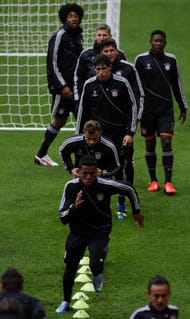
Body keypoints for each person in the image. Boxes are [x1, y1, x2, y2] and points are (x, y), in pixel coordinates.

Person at [56, 155, 144, 313]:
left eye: (91, 173)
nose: (88, 177)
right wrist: (75, 207)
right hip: (78, 232)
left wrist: (136, 210)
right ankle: (65, 301)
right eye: (84, 173)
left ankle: (97, 274)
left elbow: (128, 188)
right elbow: (63, 217)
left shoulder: (105, 185)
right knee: (70, 268)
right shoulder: (70, 187)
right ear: (78, 172)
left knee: (95, 264)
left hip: (100, 230)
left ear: (97, 172)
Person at [76, 54, 138, 220]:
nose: (101, 72)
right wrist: (78, 136)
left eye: (104, 69)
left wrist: (130, 132)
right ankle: (93, 204)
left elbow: (132, 107)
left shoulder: (122, 83)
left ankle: (122, 203)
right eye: (98, 69)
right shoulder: (89, 85)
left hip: (119, 135)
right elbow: (82, 111)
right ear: (94, 70)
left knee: (119, 170)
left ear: (110, 67)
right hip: (97, 136)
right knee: (92, 171)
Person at [134, 29, 188, 194]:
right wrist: (135, 109)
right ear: (150, 41)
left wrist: (183, 106)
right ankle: (153, 180)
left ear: (165, 42)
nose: (158, 43)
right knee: (150, 144)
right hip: (147, 111)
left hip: (165, 110)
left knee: (166, 143)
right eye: (155, 41)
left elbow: (177, 85)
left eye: (161, 41)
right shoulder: (141, 60)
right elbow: (134, 85)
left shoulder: (171, 60)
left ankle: (168, 182)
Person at [34, 3, 84, 166]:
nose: (73, 18)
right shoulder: (60, 35)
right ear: (64, 18)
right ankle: (41, 154)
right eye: (70, 16)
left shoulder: (78, 35)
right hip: (64, 90)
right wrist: (62, 86)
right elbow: (52, 62)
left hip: (77, 88)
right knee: (58, 121)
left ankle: (82, 158)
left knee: (81, 120)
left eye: (76, 15)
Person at [100, 37, 144, 196]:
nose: (109, 53)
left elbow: (139, 95)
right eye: (106, 51)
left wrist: (134, 122)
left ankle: (129, 194)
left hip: (124, 126)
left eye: (112, 50)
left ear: (117, 51)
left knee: (126, 162)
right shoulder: (97, 72)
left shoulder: (129, 69)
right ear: (101, 52)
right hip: (103, 127)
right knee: (107, 161)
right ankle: (106, 195)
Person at [73, 23, 126, 106]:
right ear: (95, 36)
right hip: (93, 99)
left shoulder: (119, 54)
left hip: (115, 98)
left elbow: (125, 75)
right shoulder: (86, 55)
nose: (101, 38)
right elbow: (79, 78)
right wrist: (78, 99)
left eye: (104, 35)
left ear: (110, 36)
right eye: (99, 35)